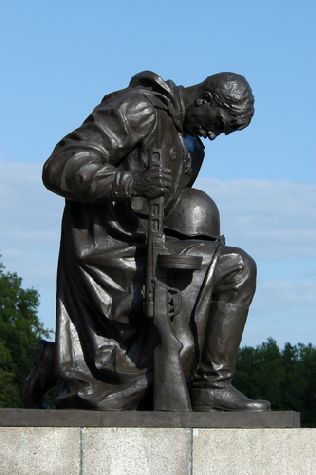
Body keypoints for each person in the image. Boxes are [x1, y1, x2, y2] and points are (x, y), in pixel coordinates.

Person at [39, 71, 270, 411]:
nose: (214, 135)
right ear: (204, 99)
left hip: (152, 249)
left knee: (237, 268)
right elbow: (60, 166)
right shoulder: (139, 108)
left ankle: (212, 386)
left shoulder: (191, 144)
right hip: (107, 258)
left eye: (225, 132)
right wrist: (130, 183)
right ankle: (60, 361)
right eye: (219, 123)